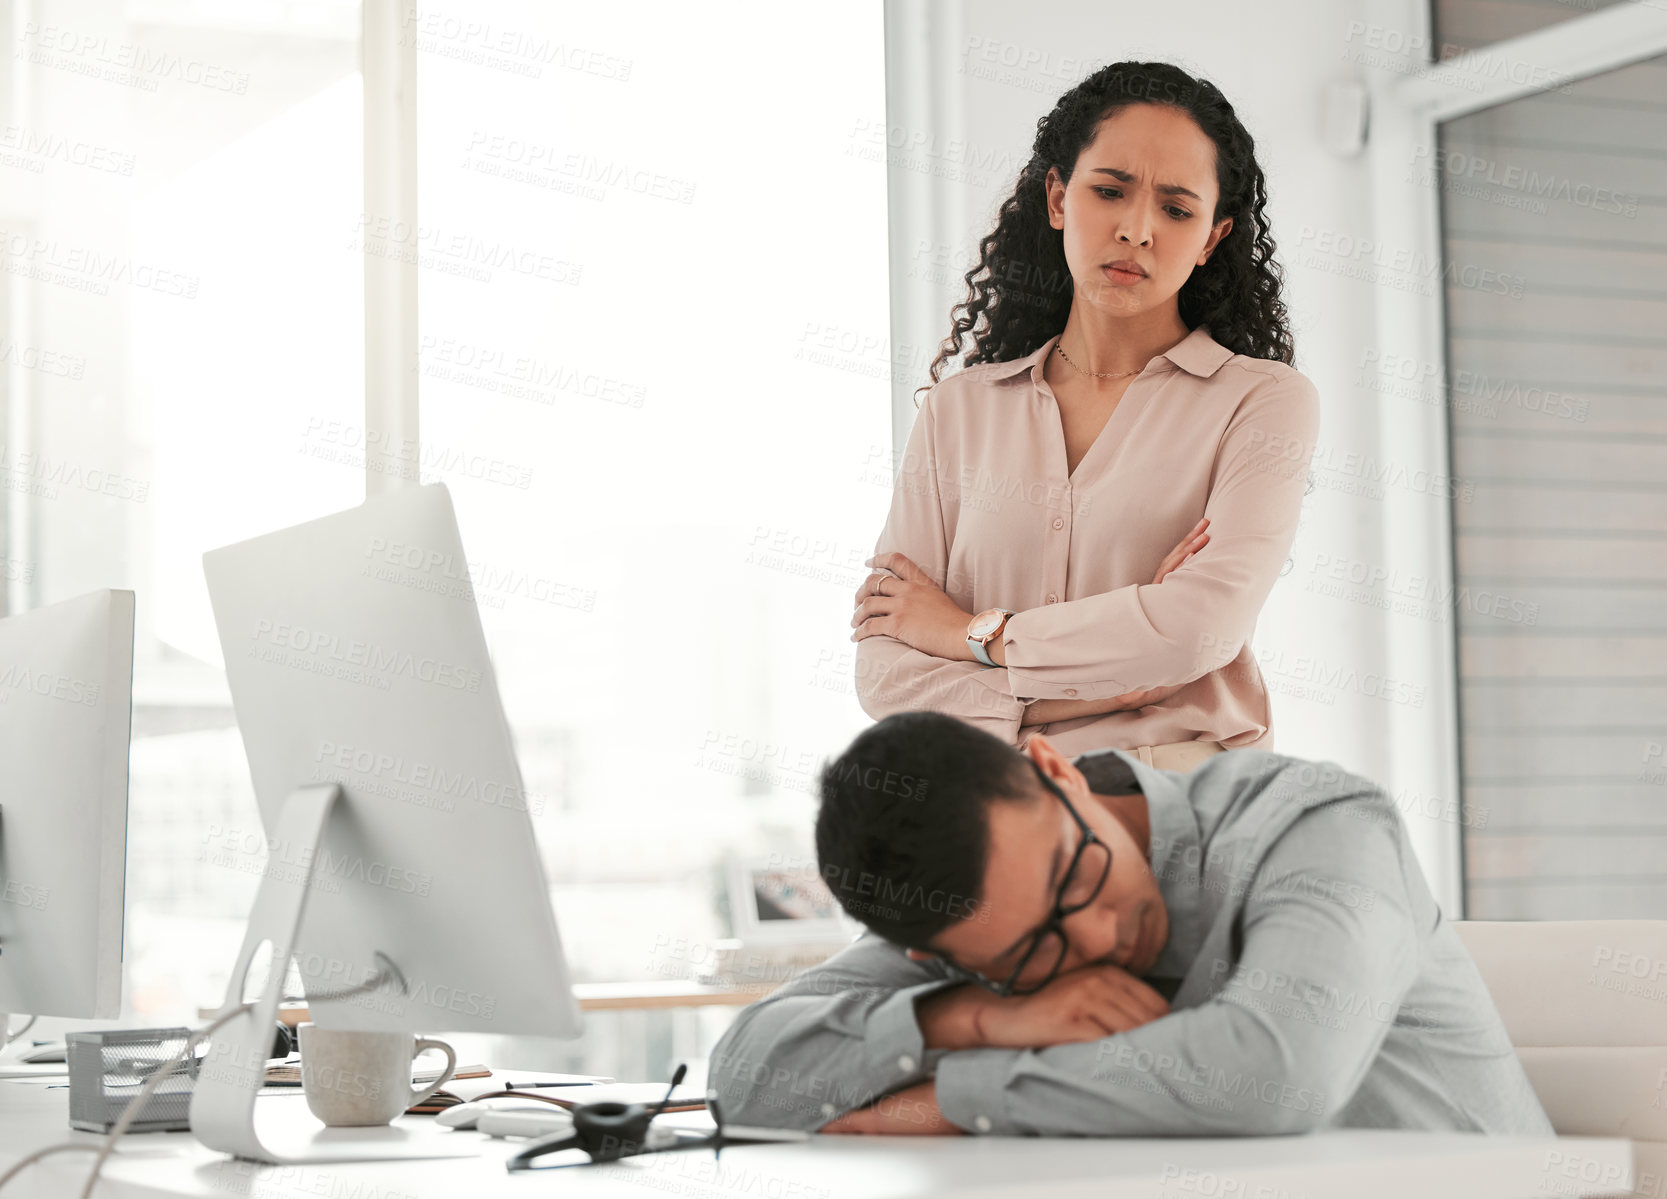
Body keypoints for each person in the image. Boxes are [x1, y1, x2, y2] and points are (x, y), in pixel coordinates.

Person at [705, 711, 1554, 1138]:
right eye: (1035, 951)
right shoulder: (960, 921)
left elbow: (1277, 1071)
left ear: (1051, 768)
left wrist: (957, 1096)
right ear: (933, 954)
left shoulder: (1314, 825)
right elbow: (742, 1078)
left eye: (1075, 873)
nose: (1099, 938)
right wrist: (968, 1017)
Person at [850, 61, 1321, 771]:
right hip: (989, 811)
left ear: (1212, 238)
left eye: (1176, 208)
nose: (1135, 230)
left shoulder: (1261, 401)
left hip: (1176, 805)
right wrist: (1130, 672)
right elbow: (884, 673)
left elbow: (1198, 631)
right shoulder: (960, 410)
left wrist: (968, 635)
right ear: (1058, 196)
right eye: (1109, 191)